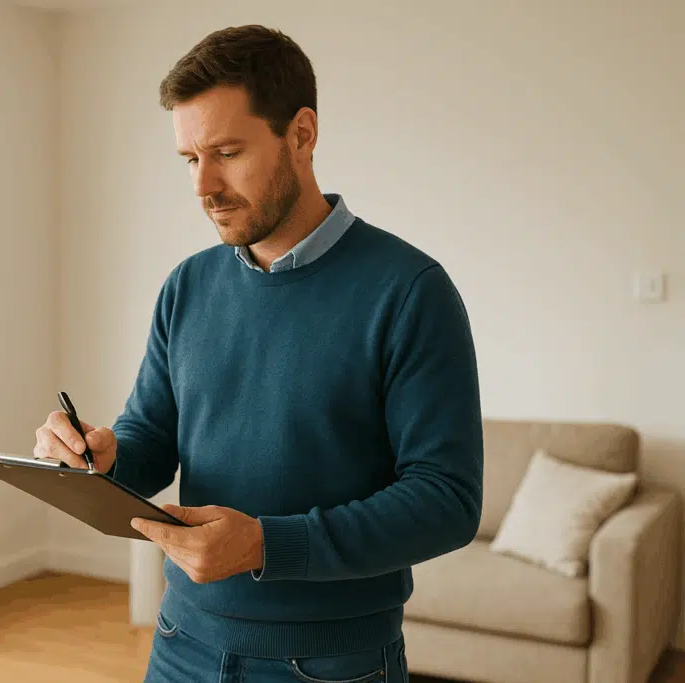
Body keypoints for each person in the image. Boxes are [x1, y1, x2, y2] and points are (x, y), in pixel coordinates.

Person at [34, 24, 483, 683]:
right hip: (181, 640)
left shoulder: (410, 292)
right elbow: (152, 439)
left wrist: (267, 545)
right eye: (190, 158)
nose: (203, 184)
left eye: (227, 152)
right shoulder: (187, 285)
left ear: (301, 135)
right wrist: (100, 456)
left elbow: (447, 499)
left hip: (334, 663)